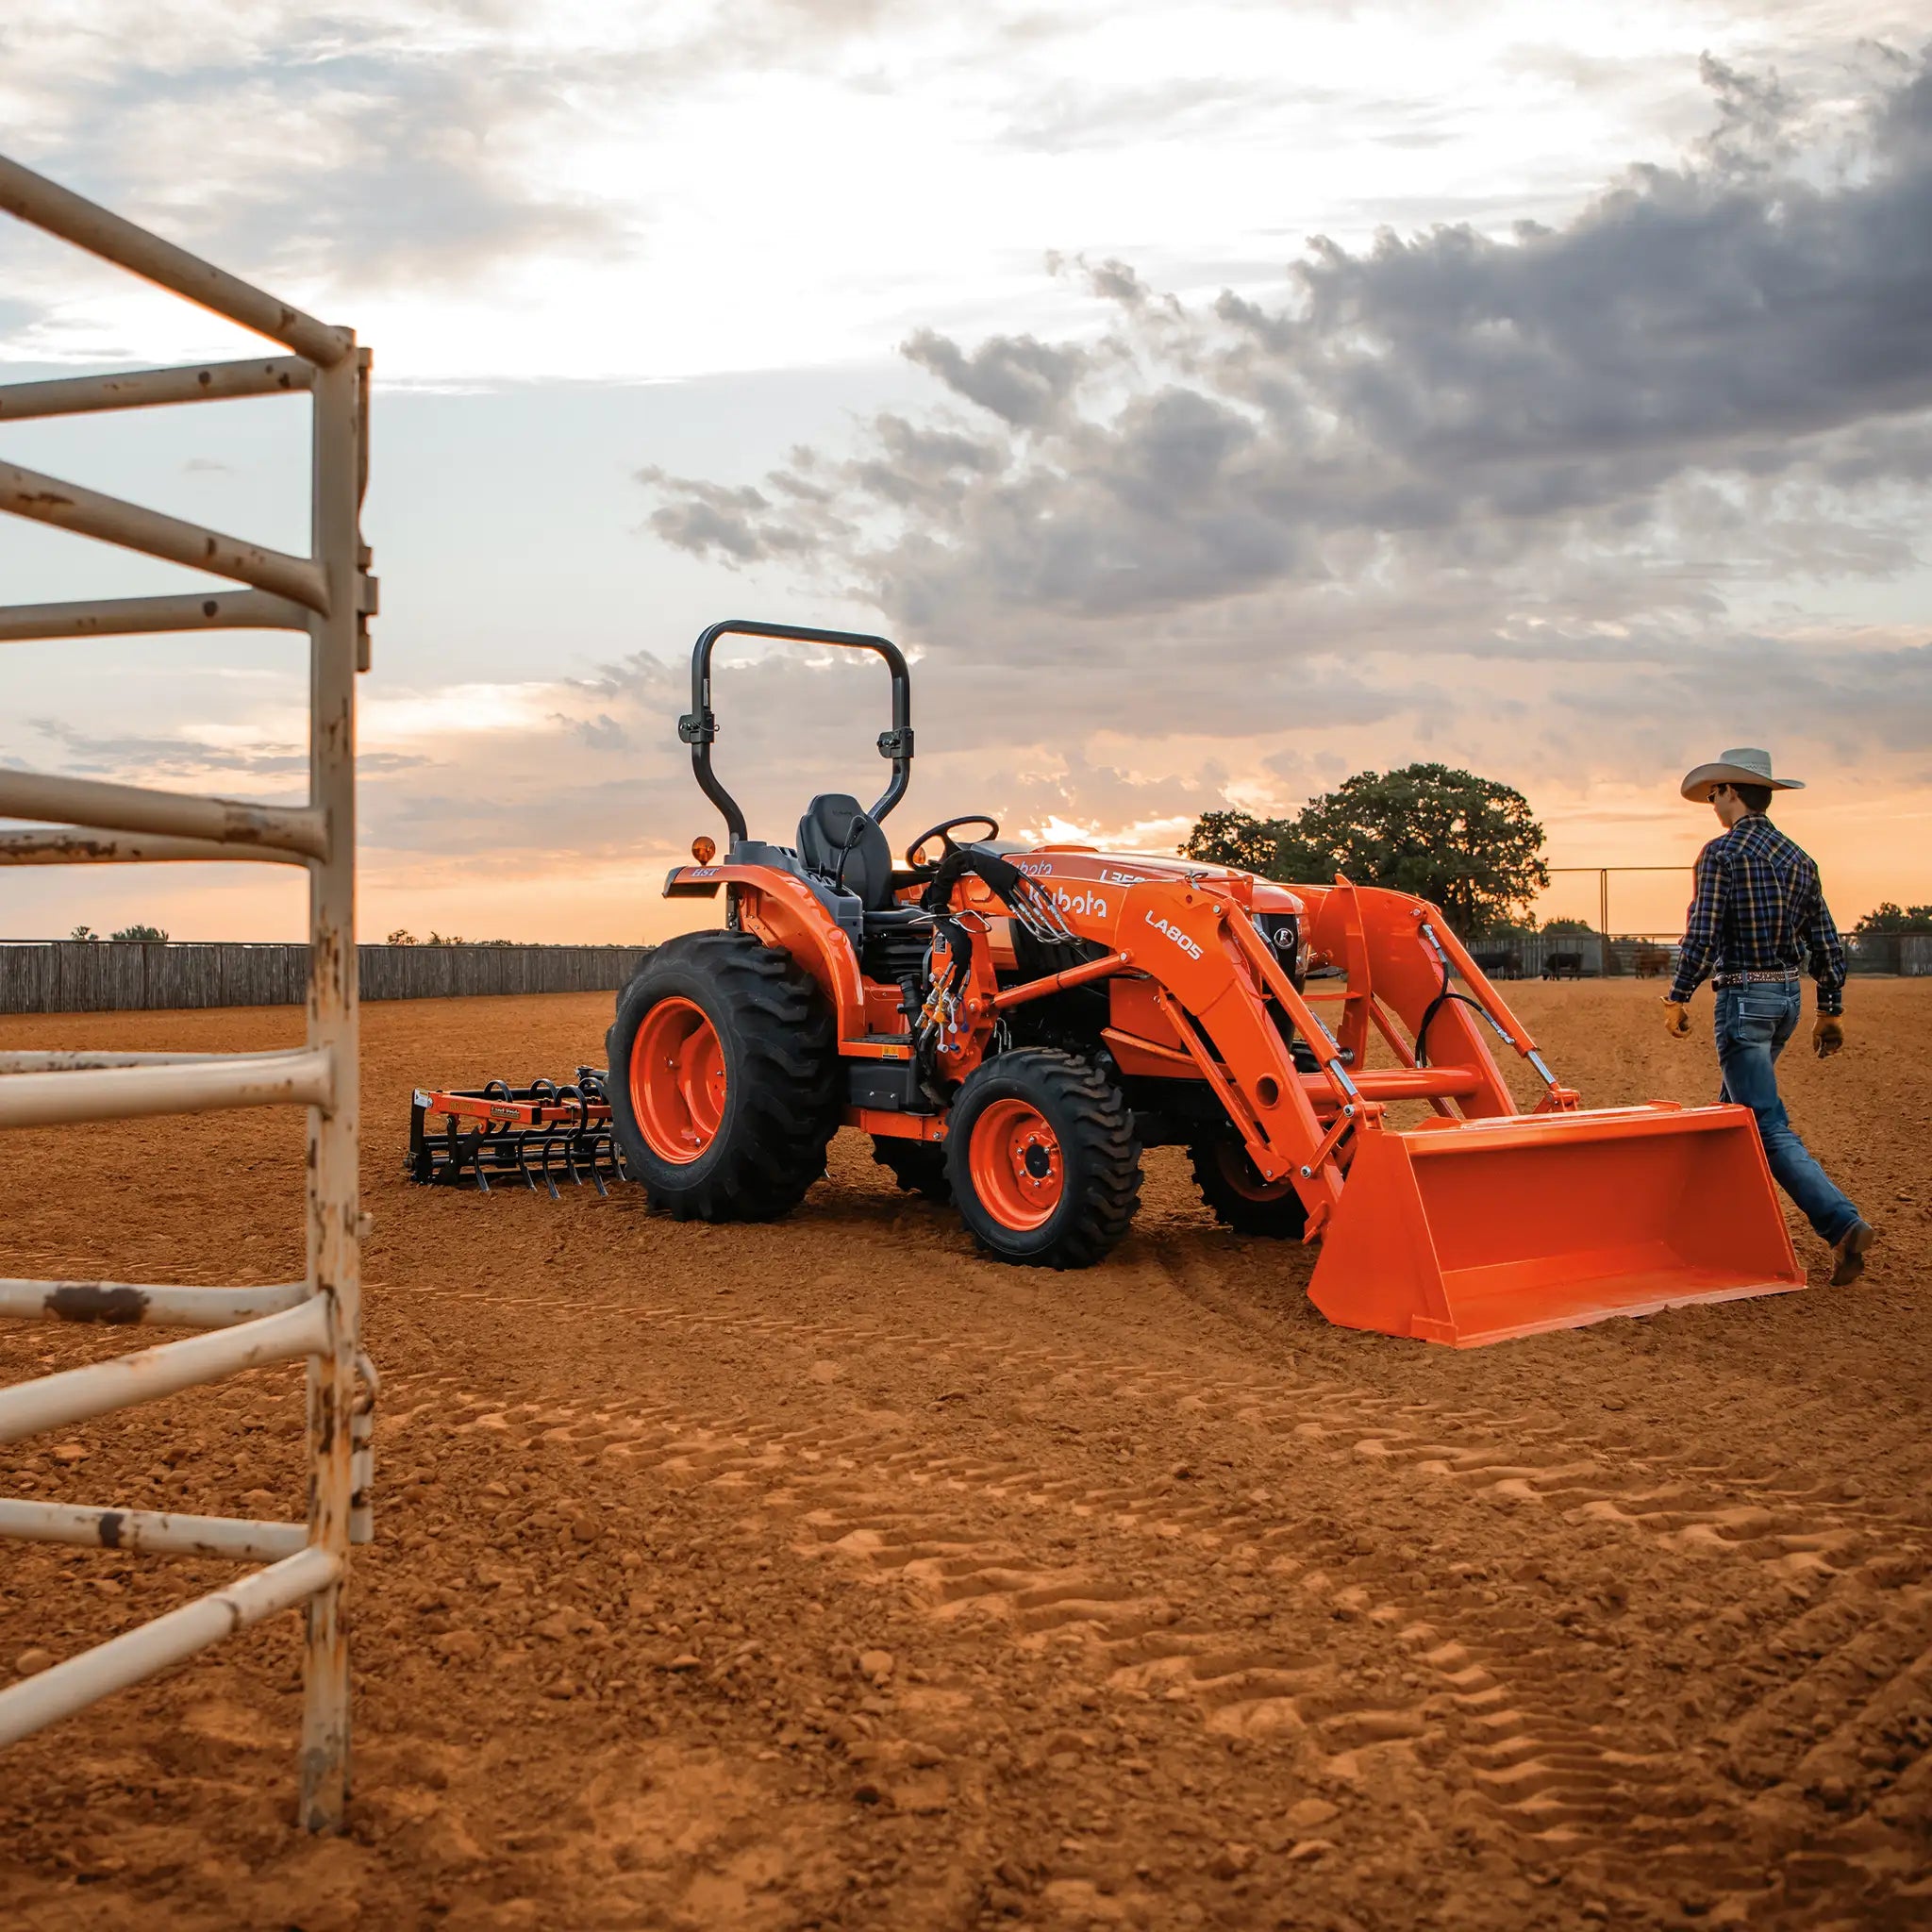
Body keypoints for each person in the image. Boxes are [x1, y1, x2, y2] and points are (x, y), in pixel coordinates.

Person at [1662, 747, 1874, 1286]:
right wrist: (1830, 1009)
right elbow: (1825, 940)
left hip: (1743, 997)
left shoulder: (1722, 854)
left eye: (1714, 794)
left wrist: (1678, 995)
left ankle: (1842, 1224)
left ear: (1731, 792)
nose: (1712, 804)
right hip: (1785, 999)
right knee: (1731, 1111)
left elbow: (1703, 932)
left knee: (1764, 1122)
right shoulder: (1800, 859)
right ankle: (1702, 1224)